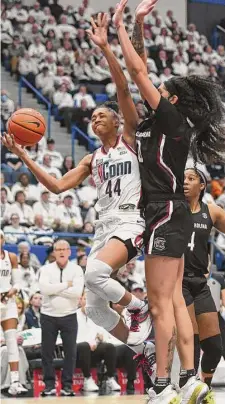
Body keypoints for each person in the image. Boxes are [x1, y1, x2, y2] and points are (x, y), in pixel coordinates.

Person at [1, 14, 152, 355]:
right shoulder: (91, 159)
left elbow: (124, 87)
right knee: (96, 309)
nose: (95, 117)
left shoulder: (131, 138)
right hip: (103, 226)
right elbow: (55, 186)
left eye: (102, 115)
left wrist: (105, 49)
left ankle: (137, 306)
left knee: (96, 272)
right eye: (92, 116)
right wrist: (23, 155)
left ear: (118, 121)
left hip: (130, 221)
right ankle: (143, 350)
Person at [112, 0, 225, 402]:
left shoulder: (173, 123)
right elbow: (140, 67)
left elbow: (138, 70)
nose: (155, 91)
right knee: (175, 299)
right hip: (171, 210)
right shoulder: (163, 123)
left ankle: (162, 384)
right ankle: (190, 378)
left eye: (162, 91)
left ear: (172, 100)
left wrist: (119, 25)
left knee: (160, 302)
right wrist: (141, 25)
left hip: (162, 210)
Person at [183, 168, 225, 402]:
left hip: (200, 281)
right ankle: (186, 389)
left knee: (215, 348)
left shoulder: (212, 212)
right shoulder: (172, 209)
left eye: (191, 179)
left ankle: (203, 391)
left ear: (202, 186)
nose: (186, 183)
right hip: (178, 281)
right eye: (183, 179)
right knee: (192, 341)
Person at [38, 239, 84, 396]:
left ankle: (67, 386)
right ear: (54, 252)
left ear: (69, 251)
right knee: (47, 352)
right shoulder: (45, 269)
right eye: (58, 249)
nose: (62, 252)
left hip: (69, 316)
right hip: (48, 316)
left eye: (64, 249)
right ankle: (49, 385)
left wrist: (54, 289)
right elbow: (44, 289)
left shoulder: (77, 270)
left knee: (70, 353)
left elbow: (77, 293)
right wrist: (66, 285)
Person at [0, 230, 27, 395]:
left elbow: (18, 282)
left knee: (11, 341)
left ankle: (15, 382)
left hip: (8, 302)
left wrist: (12, 291)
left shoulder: (11, 257)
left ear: (3, 239)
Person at [76, 293, 121, 392]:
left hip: (93, 349)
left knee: (109, 347)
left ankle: (110, 378)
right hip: (77, 350)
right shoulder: (73, 316)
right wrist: (89, 343)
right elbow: (71, 338)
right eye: (85, 299)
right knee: (84, 346)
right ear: (80, 300)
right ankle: (87, 379)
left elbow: (101, 334)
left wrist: (98, 339)